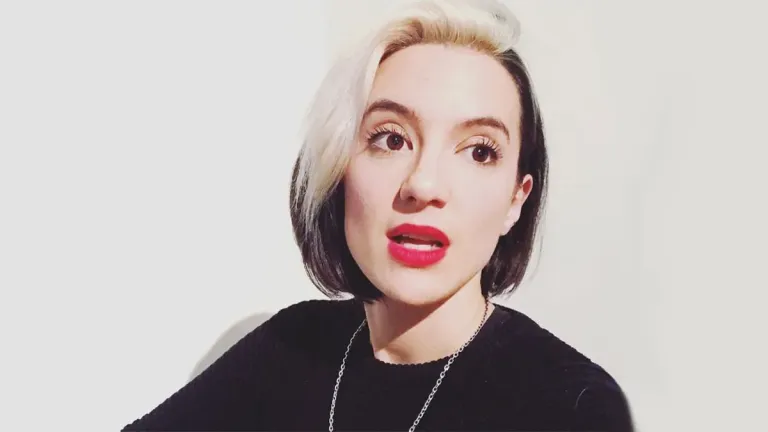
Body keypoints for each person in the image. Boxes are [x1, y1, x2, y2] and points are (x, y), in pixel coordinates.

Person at [123, 0, 634, 430]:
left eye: (479, 151)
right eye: (391, 139)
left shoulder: (572, 406)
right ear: (340, 168)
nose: (423, 185)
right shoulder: (291, 345)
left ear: (515, 200)